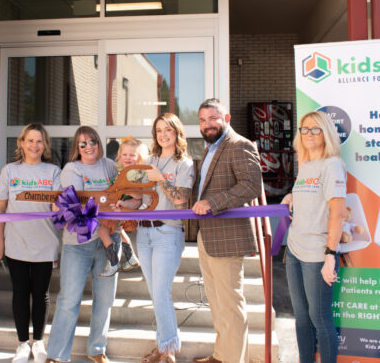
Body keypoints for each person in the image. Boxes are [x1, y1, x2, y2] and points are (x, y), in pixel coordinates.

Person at [190, 98, 264, 363]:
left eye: (213, 118)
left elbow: (251, 185)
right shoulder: (210, 149)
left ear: (227, 118)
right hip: (207, 235)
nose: (207, 124)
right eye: (202, 120)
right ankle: (222, 355)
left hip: (228, 237)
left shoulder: (239, 145)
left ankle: (233, 360)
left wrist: (213, 203)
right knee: (218, 304)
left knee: (230, 305)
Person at [46, 126, 119, 363]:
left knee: (105, 299)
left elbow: (119, 196)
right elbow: (77, 207)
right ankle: (57, 355)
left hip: (109, 239)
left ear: (99, 143)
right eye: (82, 144)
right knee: (69, 299)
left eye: (92, 142)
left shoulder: (109, 165)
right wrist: (105, 220)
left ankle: (97, 350)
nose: (89, 147)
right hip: (79, 243)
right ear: (76, 148)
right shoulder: (71, 169)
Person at [0, 123, 61, 363]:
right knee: (20, 293)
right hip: (16, 243)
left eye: (39, 141)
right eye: (30, 140)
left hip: (45, 243)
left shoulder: (53, 172)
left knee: (41, 294)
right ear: (21, 143)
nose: (34, 145)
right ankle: (22, 343)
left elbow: (57, 207)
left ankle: (39, 342)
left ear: (45, 145)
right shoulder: (9, 171)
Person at [281, 111, 345, 363]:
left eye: (315, 129)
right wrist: (291, 195)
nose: (308, 134)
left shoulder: (333, 165)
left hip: (318, 253)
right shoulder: (306, 165)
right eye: (304, 129)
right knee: (301, 317)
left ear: (326, 133)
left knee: (320, 318)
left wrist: (330, 256)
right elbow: (310, 196)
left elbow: (338, 214)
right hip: (295, 249)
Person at [137, 113, 194, 363]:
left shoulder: (185, 164)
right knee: (155, 293)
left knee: (161, 293)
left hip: (167, 233)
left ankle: (167, 351)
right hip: (143, 232)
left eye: (168, 130)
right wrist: (121, 206)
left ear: (177, 133)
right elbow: (139, 197)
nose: (163, 134)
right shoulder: (148, 161)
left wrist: (160, 179)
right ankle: (163, 347)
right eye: (159, 130)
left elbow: (181, 200)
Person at [97, 136, 148, 277]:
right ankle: (131, 257)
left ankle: (113, 262)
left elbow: (138, 197)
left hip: (123, 208)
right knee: (118, 231)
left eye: (132, 155)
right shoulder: (123, 172)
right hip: (117, 207)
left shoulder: (135, 174)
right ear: (119, 156)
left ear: (139, 157)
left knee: (102, 231)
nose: (127, 158)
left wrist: (123, 199)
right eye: (124, 154)